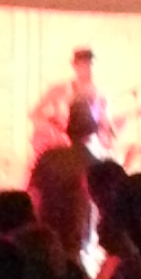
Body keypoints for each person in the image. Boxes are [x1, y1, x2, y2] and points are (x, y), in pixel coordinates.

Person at [28, 103, 99, 263]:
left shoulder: (49, 156)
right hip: (75, 232)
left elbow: (33, 193)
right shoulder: (92, 163)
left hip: (45, 228)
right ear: (90, 134)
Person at [30, 47, 114, 162]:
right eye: (83, 64)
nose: (88, 69)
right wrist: (54, 134)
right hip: (63, 150)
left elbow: (104, 128)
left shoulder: (100, 95)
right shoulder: (61, 89)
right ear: (75, 66)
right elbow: (35, 114)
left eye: (90, 64)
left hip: (90, 151)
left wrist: (108, 133)